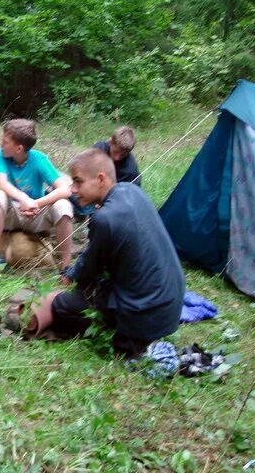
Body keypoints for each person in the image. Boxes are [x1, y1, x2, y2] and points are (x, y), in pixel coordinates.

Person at [51, 148, 184, 357]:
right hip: (171, 306)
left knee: (61, 305)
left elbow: (88, 269)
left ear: (101, 179)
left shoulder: (104, 218)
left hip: (144, 314)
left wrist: (71, 273)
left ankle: (123, 338)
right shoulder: (132, 191)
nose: (73, 189)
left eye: (78, 182)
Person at [0, 119, 74, 273]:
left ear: (19, 148)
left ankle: (66, 268)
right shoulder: (1, 155)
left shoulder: (39, 159)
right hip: (13, 212)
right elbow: (1, 182)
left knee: (63, 205)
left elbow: (65, 190)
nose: (1, 143)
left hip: (35, 214)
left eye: (5, 142)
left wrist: (36, 203)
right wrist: (23, 199)